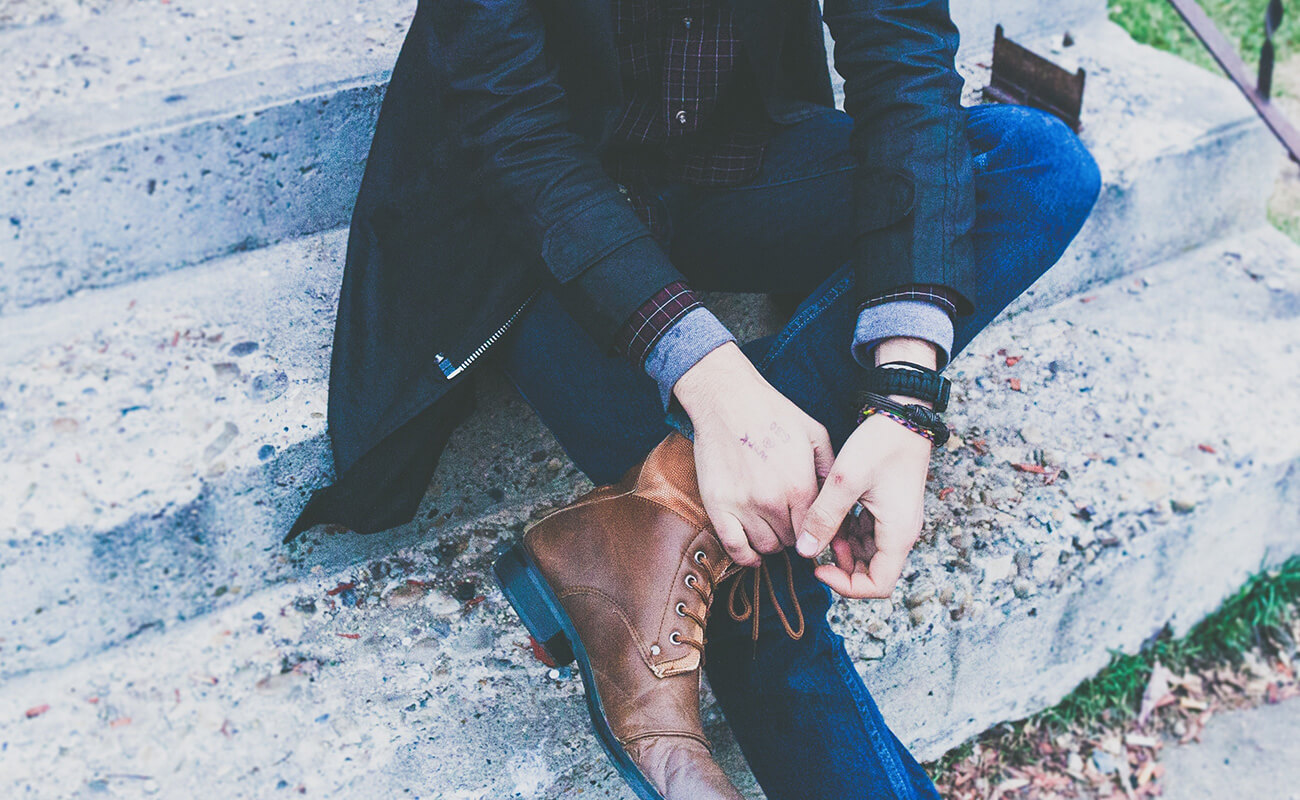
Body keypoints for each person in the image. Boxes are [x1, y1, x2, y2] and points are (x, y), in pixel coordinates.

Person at [289, 0, 1102, 797]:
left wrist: (904, 395)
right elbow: (510, 128)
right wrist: (714, 385)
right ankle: (674, 533)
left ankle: (659, 516)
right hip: (523, 228)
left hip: (722, 164)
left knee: (1037, 165)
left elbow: (904, 58)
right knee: (761, 568)